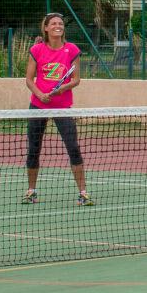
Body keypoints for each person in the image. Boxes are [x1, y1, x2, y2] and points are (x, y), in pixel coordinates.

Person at [24, 11, 91, 206]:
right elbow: (29, 79)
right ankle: (31, 191)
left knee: (73, 148)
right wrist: (40, 95)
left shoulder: (72, 50)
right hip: (38, 106)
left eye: (60, 23)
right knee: (33, 149)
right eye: (53, 23)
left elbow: (76, 79)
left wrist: (63, 87)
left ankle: (83, 193)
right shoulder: (36, 50)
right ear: (46, 28)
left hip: (63, 108)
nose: (57, 26)